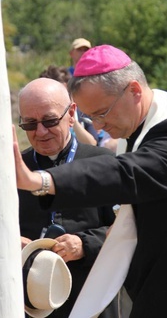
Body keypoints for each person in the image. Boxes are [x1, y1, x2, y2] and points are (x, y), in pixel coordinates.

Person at [14, 44, 167, 317]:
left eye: (101, 113)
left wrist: (40, 181)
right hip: (164, 286)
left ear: (133, 90)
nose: (97, 127)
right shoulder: (136, 135)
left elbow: (123, 173)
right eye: (91, 117)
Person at [17, 77, 118, 318]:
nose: (40, 132)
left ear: (71, 113)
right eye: (30, 124)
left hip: (91, 294)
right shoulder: (15, 168)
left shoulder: (103, 162)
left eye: (50, 121)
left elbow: (126, 228)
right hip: (33, 298)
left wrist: (85, 244)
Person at [39, 65, 97, 146]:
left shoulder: (83, 111)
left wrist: (73, 120)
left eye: (65, 92)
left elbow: (92, 144)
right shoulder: (41, 118)